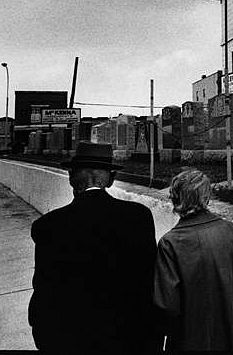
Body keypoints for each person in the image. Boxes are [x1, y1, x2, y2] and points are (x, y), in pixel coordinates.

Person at [28, 141, 158, 353]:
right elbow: (149, 284)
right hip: (131, 339)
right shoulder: (138, 217)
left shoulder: (48, 226)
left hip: (72, 341)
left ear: (71, 178)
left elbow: (44, 295)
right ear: (111, 179)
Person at [153, 169, 233, 351]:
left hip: (191, 341)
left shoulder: (170, 243)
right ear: (206, 198)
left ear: (175, 199)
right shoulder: (231, 231)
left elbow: (167, 305)